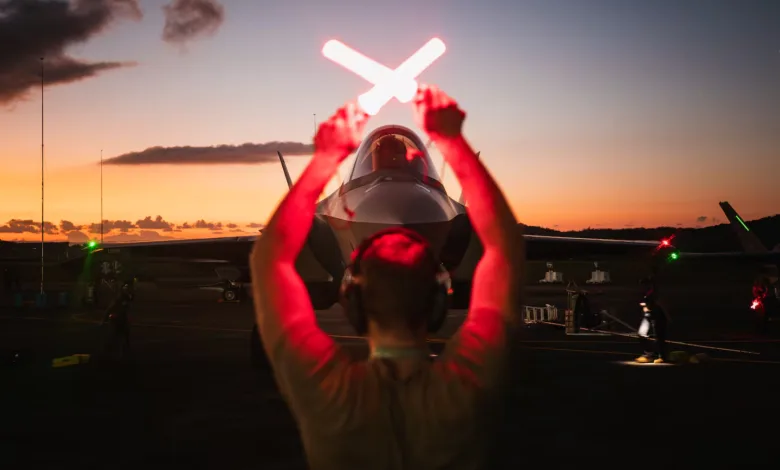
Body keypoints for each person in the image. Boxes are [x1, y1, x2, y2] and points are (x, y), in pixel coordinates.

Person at [250, 85, 521, 469]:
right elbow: (505, 251)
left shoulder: (326, 396)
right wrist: (454, 142)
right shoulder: (466, 393)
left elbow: (269, 260)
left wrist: (326, 157)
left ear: (355, 301)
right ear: (437, 298)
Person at [635, 278, 669, 363]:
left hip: (656, 317)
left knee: (658, 336)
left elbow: (658, 305)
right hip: (648, 316)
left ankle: (661, 356)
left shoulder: (653, 294)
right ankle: (649, 354)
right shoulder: (645, 294)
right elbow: (644, 303)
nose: (642, 287)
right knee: (642, 334)